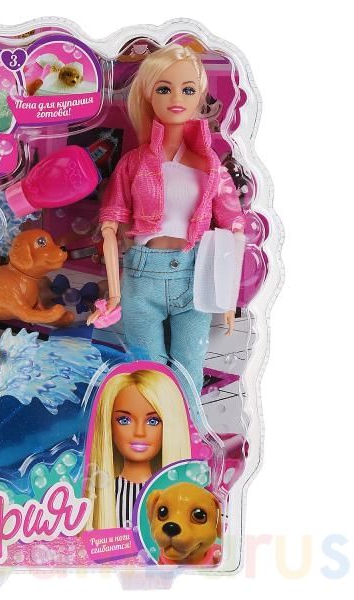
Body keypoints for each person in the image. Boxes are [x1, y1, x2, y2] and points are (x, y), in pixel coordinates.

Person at [88, 44, 245, 397]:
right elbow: (110, 226)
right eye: (164, 88)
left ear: (200, 96)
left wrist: (228, 296)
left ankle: (189, 427)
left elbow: (234, 229)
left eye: (188, 90)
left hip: (195, 277)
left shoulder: (211, 166)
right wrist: (114, 293)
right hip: (142, 277)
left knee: (190, 368)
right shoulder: (134, 162)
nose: (176, 98)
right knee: (147, 370)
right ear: (148, 94)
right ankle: (158, 428)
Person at [84, 369, 191, 530]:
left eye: (153, 421)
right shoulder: (101, 496)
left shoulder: (179, 497)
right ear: (109, 425)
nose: (139, 432)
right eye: (124, 420)